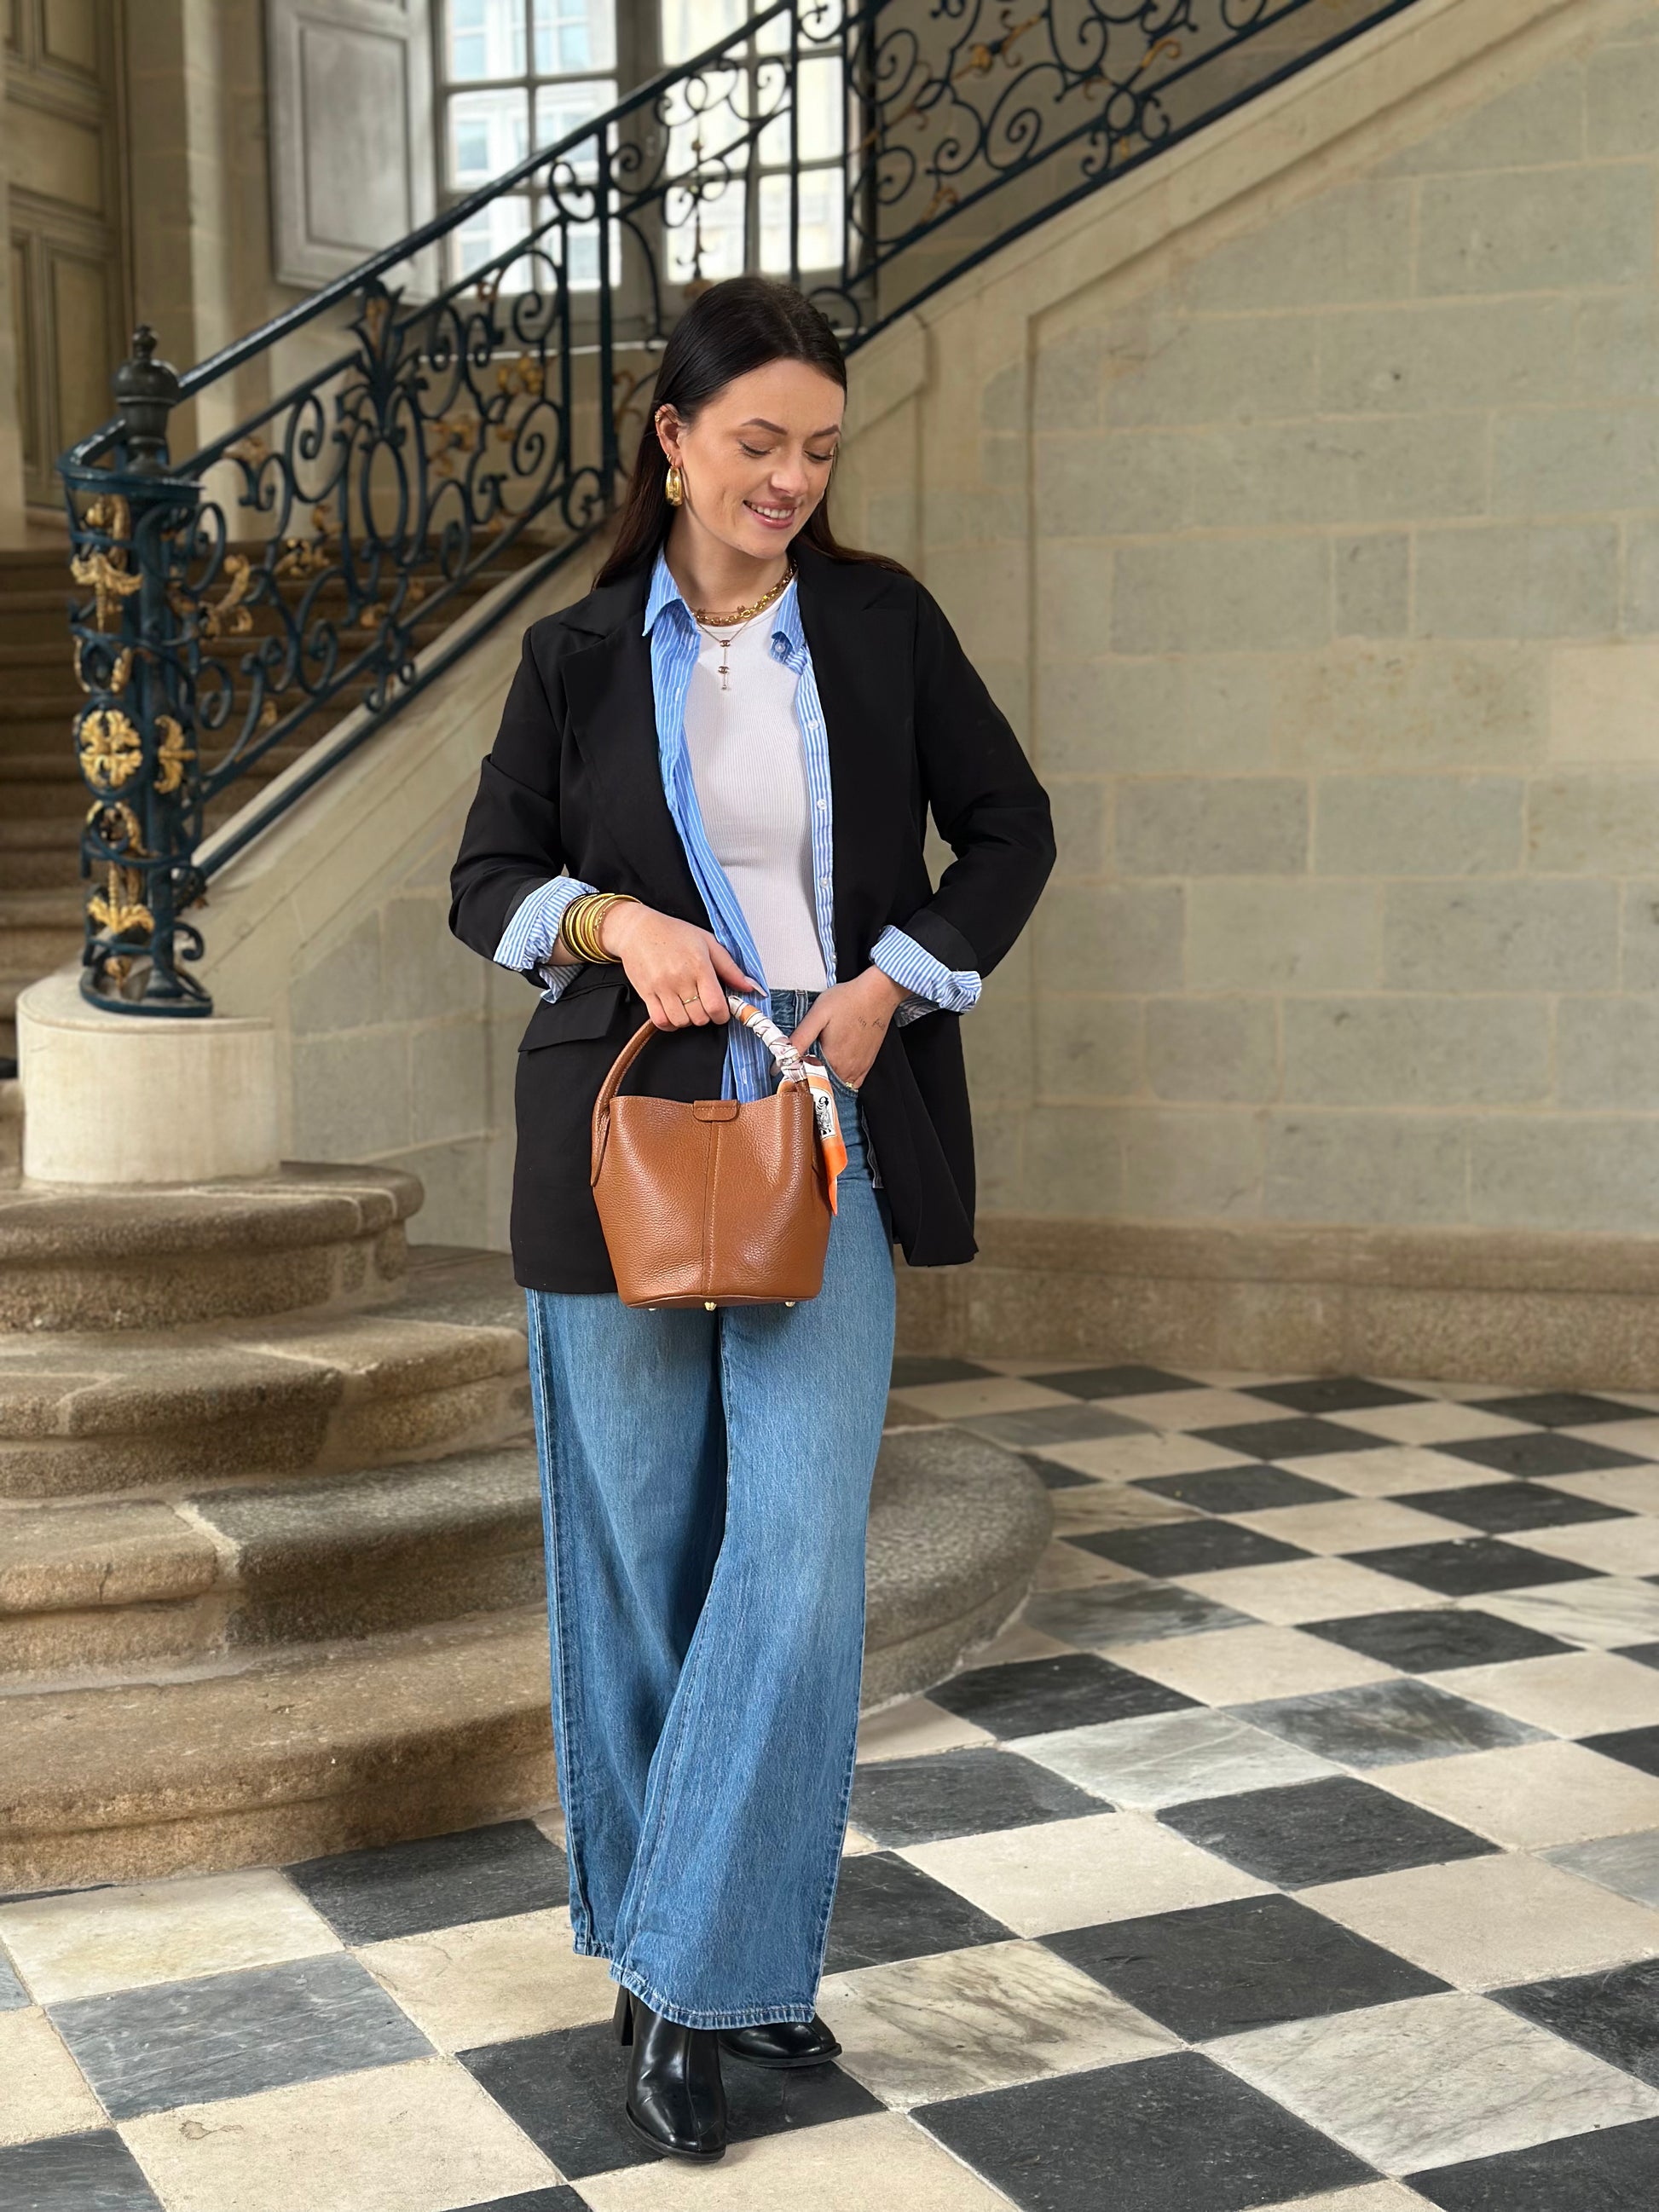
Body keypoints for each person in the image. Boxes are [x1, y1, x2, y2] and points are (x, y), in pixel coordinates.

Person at [448, 273, 1054, 2162]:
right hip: (624, 1128)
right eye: (757, 441)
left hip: (822, 1113)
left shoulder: (880, 626)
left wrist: (890, 985)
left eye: (819, 449)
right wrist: (613, 921)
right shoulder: (570, 654)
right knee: (642, 1557)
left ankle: (689, 1959)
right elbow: (484, 880)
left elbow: (1011, 829)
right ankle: (699, 1969)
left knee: (791, 1556)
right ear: (674, 438)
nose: (789, 477)